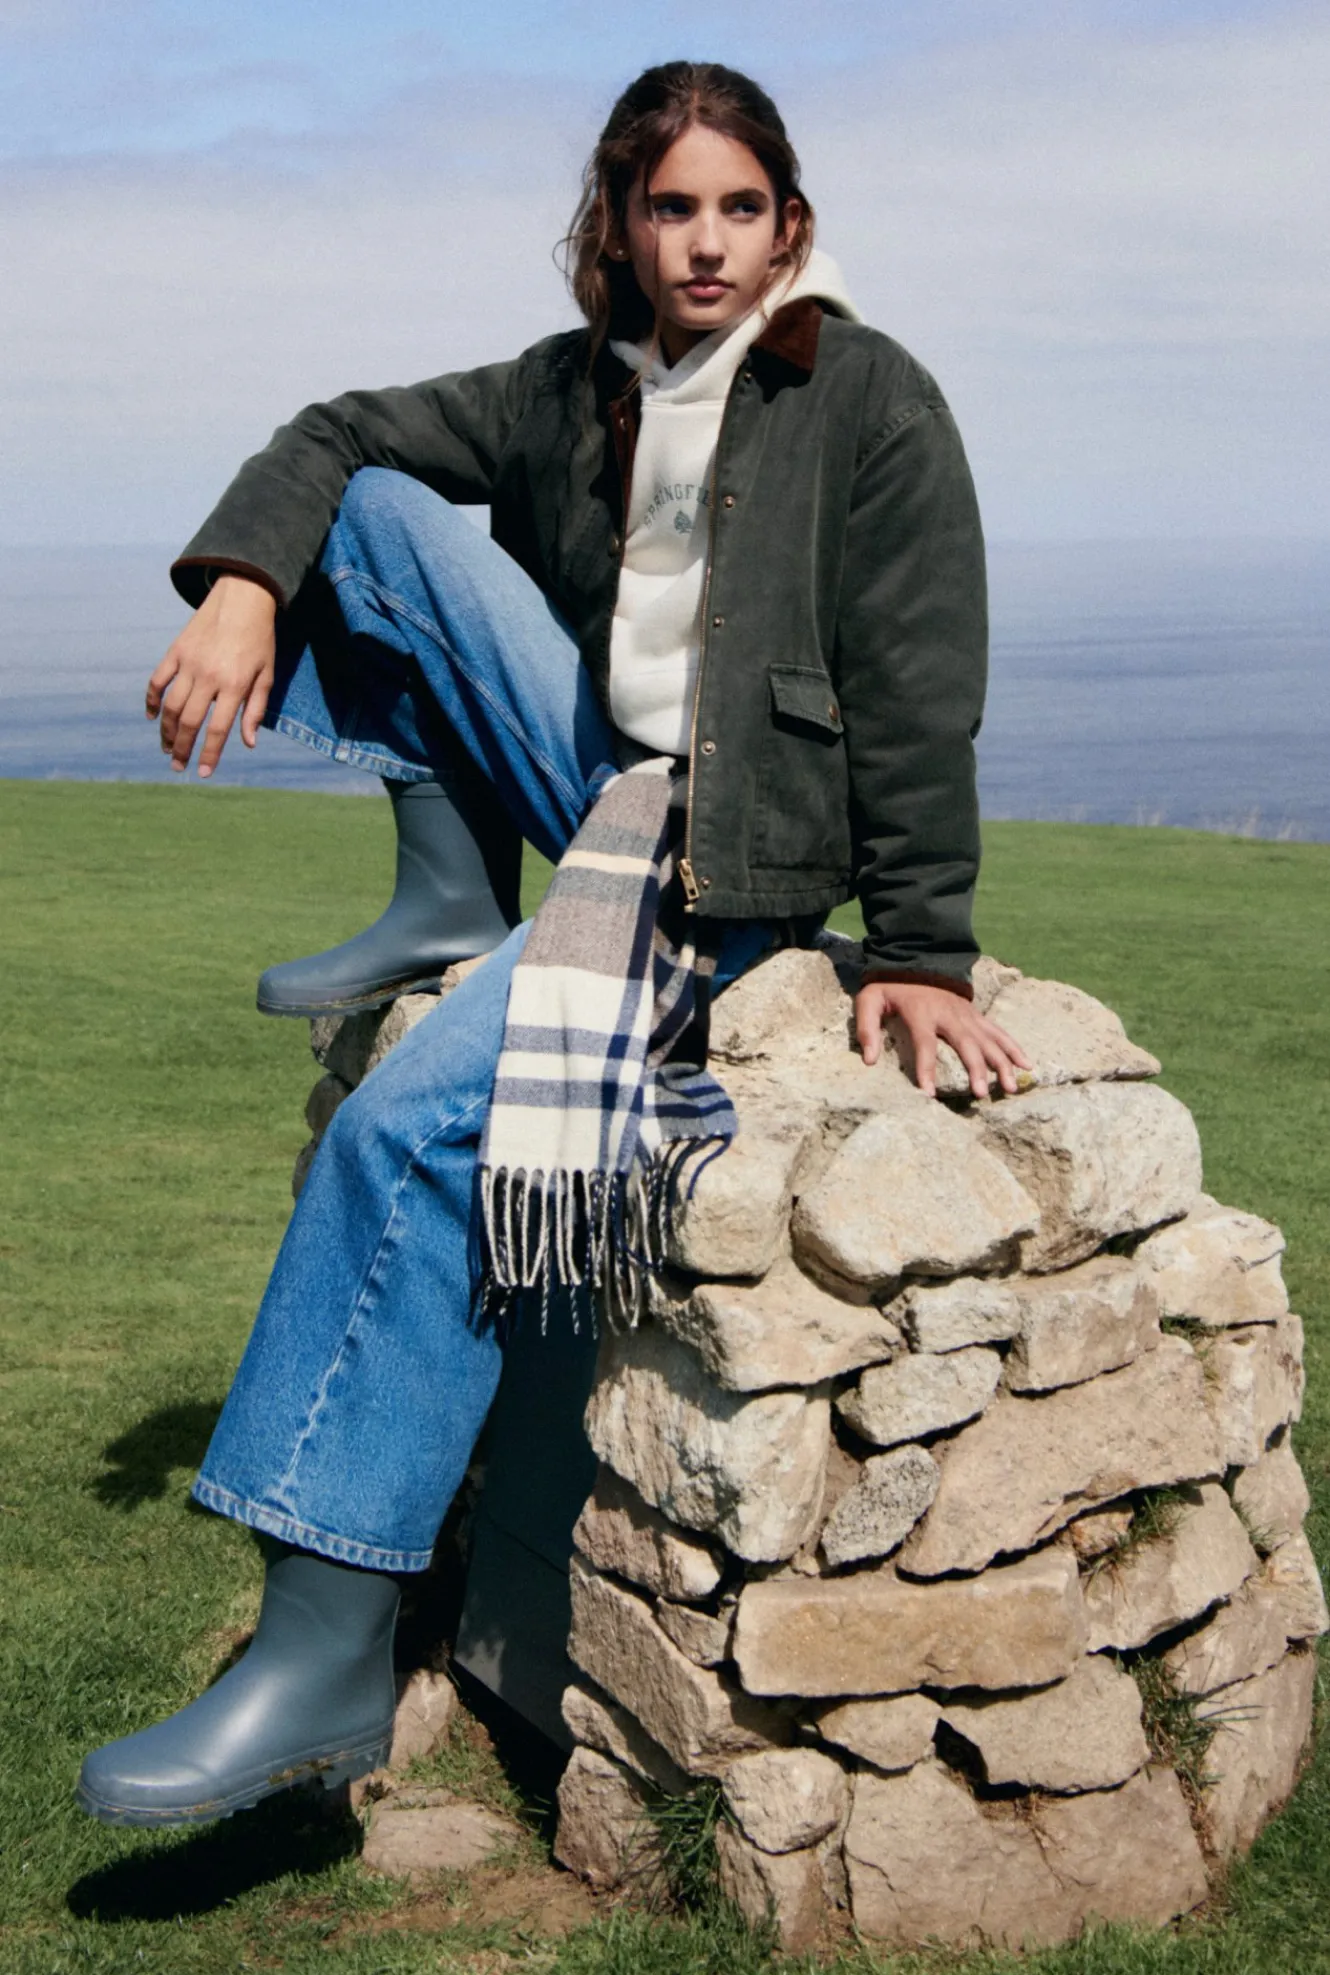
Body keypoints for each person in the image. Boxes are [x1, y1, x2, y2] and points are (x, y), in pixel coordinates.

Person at [77, 60, 1029, 1830]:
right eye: (673, 207)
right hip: (595, 781)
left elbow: (916, 676)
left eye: (740, 208)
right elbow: (332, 430)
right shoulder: (569, 386)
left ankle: (322, 1657)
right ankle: (447, 887)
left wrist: (920, 946)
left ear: (789, 225)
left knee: (404, 1130)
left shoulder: (865, 397)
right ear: (623, 222)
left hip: (718, 864)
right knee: (369, 506)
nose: (706, 243)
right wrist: (242, 585)